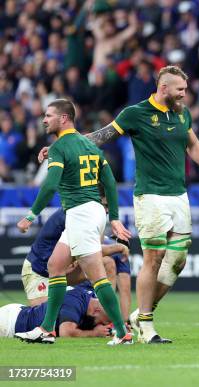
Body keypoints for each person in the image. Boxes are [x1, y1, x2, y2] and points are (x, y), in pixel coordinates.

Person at [40, 65, 199, 344]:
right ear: (163, 88)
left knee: (177, 259)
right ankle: (146, 324)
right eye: (180, 89)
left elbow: (194, 146)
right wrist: (64, 145)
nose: (184, 94)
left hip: (178, 195)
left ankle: (141, 315)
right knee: (154, 258)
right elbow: (102, 136)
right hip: (150, 196)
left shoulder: (182, 114)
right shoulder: (135, 113)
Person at [15, 99, 132, 345]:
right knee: (55, 266)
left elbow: (49, 185)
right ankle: (47, 329)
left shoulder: (60, 147)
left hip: (81, 213)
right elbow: (109, 183)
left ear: (64, 118)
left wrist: (31, 214)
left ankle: (122, 332)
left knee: (98, 277)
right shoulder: (88, 146)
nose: (44, 119)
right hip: (90, 212)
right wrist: (113, 218)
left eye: (49, 115)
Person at [21, 207, 129, 307]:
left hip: (61, 272)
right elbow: (92, 251)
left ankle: (106, 318)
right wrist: (118, 247)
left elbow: (92, 250)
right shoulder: (76, 216)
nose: (106, 210)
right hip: (39, 272)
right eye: (104, 205)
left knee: (107, 263)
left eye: (108, 207)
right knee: (47, 320)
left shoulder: (90, 215)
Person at [0, 287, 112, 339]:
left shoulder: (90, 298)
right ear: (95, 312)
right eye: (103, 322)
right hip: (9, 323)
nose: (103, 325)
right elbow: (66, 333)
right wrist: (94, 333)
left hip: (20, 311)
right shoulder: (73, 304)